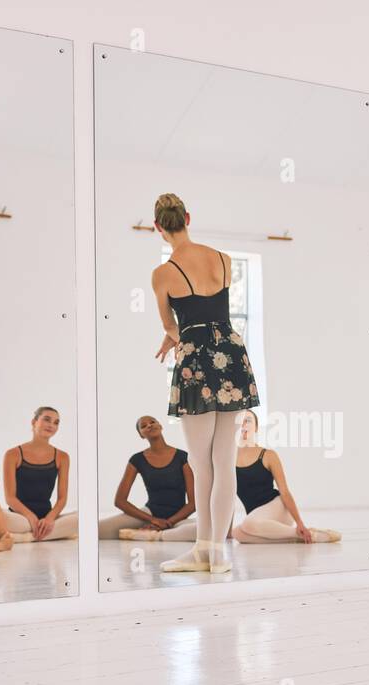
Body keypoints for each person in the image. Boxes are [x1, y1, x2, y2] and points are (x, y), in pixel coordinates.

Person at [150, 193, 259, 573]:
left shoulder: (163, 273)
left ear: (158, 227)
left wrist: (171, 335)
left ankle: (205, 551)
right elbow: (216, 309)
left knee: (200, 463)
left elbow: (170, 326)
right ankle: (213, 554)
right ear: (188, 218)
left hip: (196, 357)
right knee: (224, 460)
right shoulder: (223, 260)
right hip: (230, 354)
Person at [230, 411, 340, 544]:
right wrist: (227, 528)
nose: (243, 424)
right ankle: (294, 537)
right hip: (257, 519)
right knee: (236, 533)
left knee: (247, 525)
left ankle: (305, 532)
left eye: (248, 420)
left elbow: (285, 491)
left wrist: (299, 522)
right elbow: (227, 499)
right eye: (240, 421)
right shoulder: (229, 460)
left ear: (256, 428)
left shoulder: (268, 455)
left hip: (279, 508)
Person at [99, 415, 198, 540]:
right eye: (143, 426)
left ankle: (154, 535)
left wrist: (168, 522)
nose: (149, 425)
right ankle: (155, 532)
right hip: (149, 514)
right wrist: (153, 520)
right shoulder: (137, 460)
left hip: (178, 517)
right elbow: (120, 501)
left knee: (204, 531)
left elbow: (193, 503)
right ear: (141, 435)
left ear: (160, 426)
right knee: (98, 529)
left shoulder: (183, 457)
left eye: (152, 422)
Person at [3, 406, 78, 543]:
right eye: (47, 420)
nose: (51, 425)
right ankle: (52, 534)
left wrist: (50, 518)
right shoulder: (13, 454)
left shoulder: (62, 457)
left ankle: (26, 537)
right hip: (20, 518)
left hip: (47, 518)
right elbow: (10, 498)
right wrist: (30, 517)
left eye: (56, 422)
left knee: (81, 518)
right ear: (34, 422)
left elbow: (62, 499)